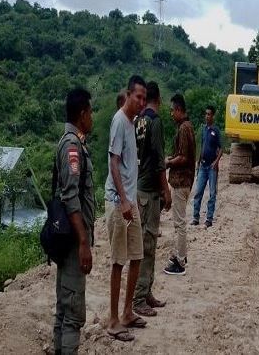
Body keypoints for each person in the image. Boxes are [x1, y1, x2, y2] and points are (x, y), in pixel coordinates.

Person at [104, 75, 147, 341]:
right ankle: (112, 320)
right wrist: (123, 201)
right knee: (119, 261)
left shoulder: (132, 123)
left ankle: (128, 311)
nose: (141, 102)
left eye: (144, 98)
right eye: (138, 97)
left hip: (130, 201)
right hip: (119, 202)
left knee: (137, 256)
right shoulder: (120, 121)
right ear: (129, 95)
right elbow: (113, 163)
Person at [53, 87, 95, 355]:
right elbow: (70, 197)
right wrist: (83, 242)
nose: (92, 118)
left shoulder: (74, 141)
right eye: (91, 112)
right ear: (82, 115)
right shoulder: (72, 146)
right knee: (73, 314)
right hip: (72, 241)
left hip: (68, 237)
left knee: (63, 309)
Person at [133, 81, 171, 317]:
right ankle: (139, 298)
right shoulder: (155, 123)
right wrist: (166, 190)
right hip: (149, 191)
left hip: (139, 189)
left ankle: (146, 292)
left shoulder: (138, 121)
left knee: (147, 244)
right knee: (147, 246)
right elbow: (159, 160)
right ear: (159, 99)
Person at [163, 93, 195, 276]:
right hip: (185, 180)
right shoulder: (188, 127)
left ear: (178, 110)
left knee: (179, 223)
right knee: (180, 221)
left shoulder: (184, 128)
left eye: (172, 110)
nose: (170, 114)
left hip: (181, 181)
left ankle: (180, 260)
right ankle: (181, 254)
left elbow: (183, 157)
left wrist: (168, 163)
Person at [191, 105, 222, 229]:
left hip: (212, 167)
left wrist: (216, 161)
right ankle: (195, 217)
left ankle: (209, 219)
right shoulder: (203, 129)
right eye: (206, 114)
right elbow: (202, 146)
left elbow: (221, 149)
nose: (207, 116)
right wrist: (198, 162)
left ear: (213, 116)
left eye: (209, 114)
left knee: (212, 193)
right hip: (203, 166)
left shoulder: (216, 131)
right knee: (198, 191)